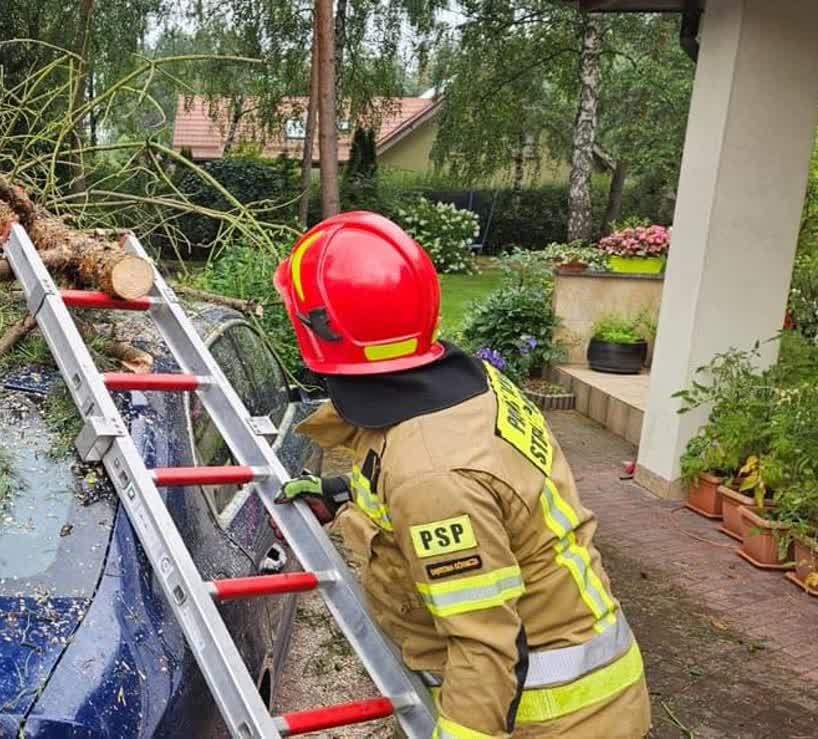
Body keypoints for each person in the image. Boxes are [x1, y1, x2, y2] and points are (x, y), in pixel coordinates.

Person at [273, 212, 650, 739]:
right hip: (579, 694)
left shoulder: (432, 477)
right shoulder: (468, 384)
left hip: (554, 720)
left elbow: (485, 644)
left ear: (319, 332)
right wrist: (343, 494)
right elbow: (473, 489)